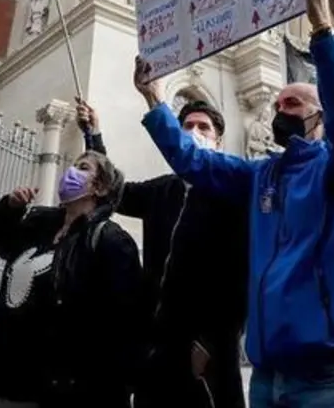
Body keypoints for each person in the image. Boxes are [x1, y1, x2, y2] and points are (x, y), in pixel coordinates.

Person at [137, 0, 334, 407]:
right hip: (268, 373)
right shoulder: (261, 174)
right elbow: (194, 161)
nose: (279, 110)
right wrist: (155, 101)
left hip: (328, 371)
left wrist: (322, 29)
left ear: (318, 113)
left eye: (292, 102)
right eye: (277, 102)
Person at [77, 97, 248, 408]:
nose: (195, 131)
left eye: (204, 127)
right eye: (188, 126)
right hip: (158, 348)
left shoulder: (233, 195)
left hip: (209, 352)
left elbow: (240, 279)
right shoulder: (162, 190)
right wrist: (94, 135)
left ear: (218, 141)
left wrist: (212, 343)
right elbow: (116, 192)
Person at [0, 152, 144, 408]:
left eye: (83, 167)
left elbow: (126, 324)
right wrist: (9, 209)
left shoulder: (110, 241)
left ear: (99, 187)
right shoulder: (39, 223)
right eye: (73, 165)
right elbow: (5, 245)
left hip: (62, 390)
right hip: (9, 382)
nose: (71, 172)